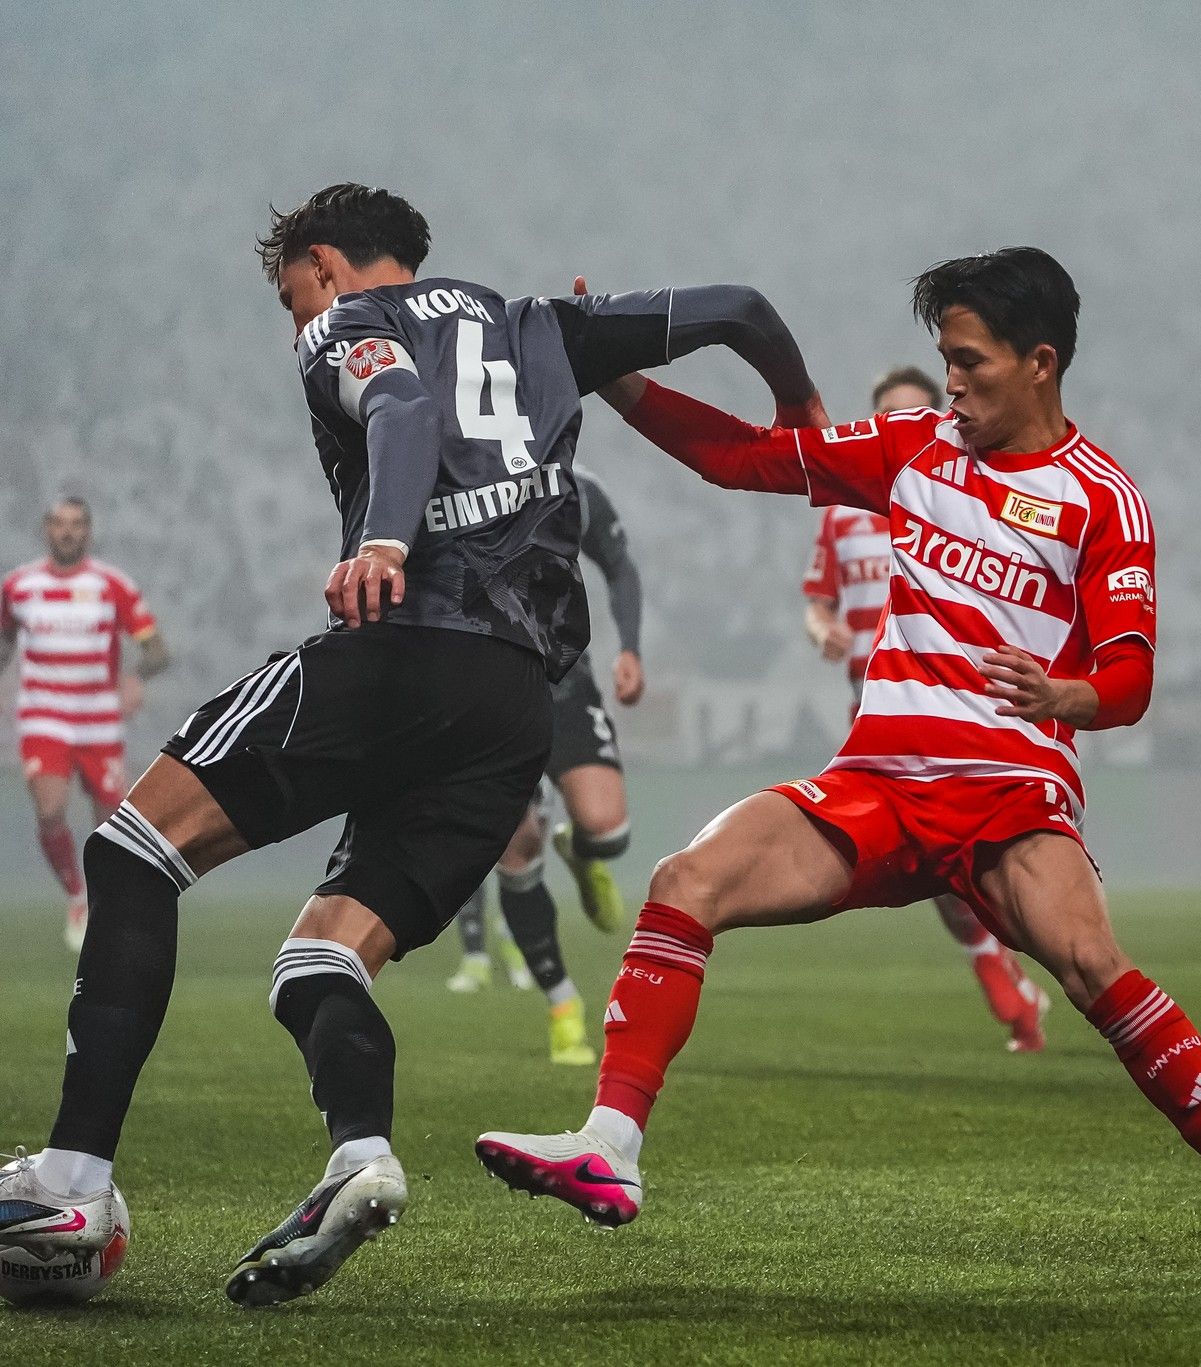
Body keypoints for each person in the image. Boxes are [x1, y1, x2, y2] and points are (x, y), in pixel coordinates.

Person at [0, 182, 822, 1307]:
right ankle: (359, 1153)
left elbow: (399, 412)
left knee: (132, 853)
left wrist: (384, 533)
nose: (298, 326)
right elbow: (740, 306)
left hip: (402, 648)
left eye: (293, 297)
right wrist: (805, 414)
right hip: (512, 707)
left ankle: (73, 1181)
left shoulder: (347, 326)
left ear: (326, 265)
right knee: (321, 958)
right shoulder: (544, 324)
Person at [478, 248, 1201, 1276]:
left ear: (1041, 363)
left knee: (1092, 967)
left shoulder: (1102, 500)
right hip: (875, 786)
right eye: (946, 358)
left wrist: (1063, 695)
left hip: (1007, 796)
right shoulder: (909, 448)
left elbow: (1129, 680)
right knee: (685, 878)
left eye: (969, 362)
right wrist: (618, 378)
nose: (953, 381)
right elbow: (740, 455)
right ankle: (610, 1145)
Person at [804, 364, 1050, 1052]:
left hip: (965, 701)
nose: (908, 431)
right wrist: (821, 627)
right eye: (891, 419)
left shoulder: (974, 498)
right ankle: (1003, 973)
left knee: (972, 860)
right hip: (879, 705)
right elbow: (819, 600)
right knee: (934, 866)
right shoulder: (845, 514)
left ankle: (1038, 967)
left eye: (920, 414)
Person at [446, 465, 646, 1067]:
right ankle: (563, 1005)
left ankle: (583, 853)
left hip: (563, 680)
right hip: (484, 690)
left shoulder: (576, 486)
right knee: (516, 848)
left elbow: (620, 566)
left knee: (608, 828)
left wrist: (631, 647)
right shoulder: (449, 482)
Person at [1, 498, 169, 949]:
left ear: (88, 531)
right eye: (59, 524)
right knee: (51, 810)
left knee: (112, 826)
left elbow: (156, 649)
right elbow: (3, 645)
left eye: (76, 524)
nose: (68, 532)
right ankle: (76, 895)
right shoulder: (18, 587)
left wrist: (134, 679)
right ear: (46, 530)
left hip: (99, 723)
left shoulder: (112, 585)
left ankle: (105, 906)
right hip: (45, 718)